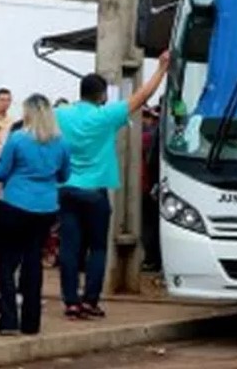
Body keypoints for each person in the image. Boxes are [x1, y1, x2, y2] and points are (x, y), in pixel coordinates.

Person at [55, 53, 170, 320]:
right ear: (102, 95)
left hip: (67, 189)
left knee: (69, 248)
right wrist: (162, 68)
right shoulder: (105, 115)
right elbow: (141, 97)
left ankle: (71, 302)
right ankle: (90, 301)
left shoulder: (61, 114)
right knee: (97, 247)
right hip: (95, 191)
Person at [0, 94, 70, 336]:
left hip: (15, 204)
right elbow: (64, 175)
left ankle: (8, 320)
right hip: (46, 207)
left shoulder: (18, 138)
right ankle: (31, 322)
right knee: (33, 260)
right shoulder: (61, 142)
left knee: (6, 262)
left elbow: (1, 172)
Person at [140, 106, 161, 272]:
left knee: (148, 225)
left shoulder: (145, 137)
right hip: (152, 185)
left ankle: (151, 259)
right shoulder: (155, 135)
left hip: (146, 185)